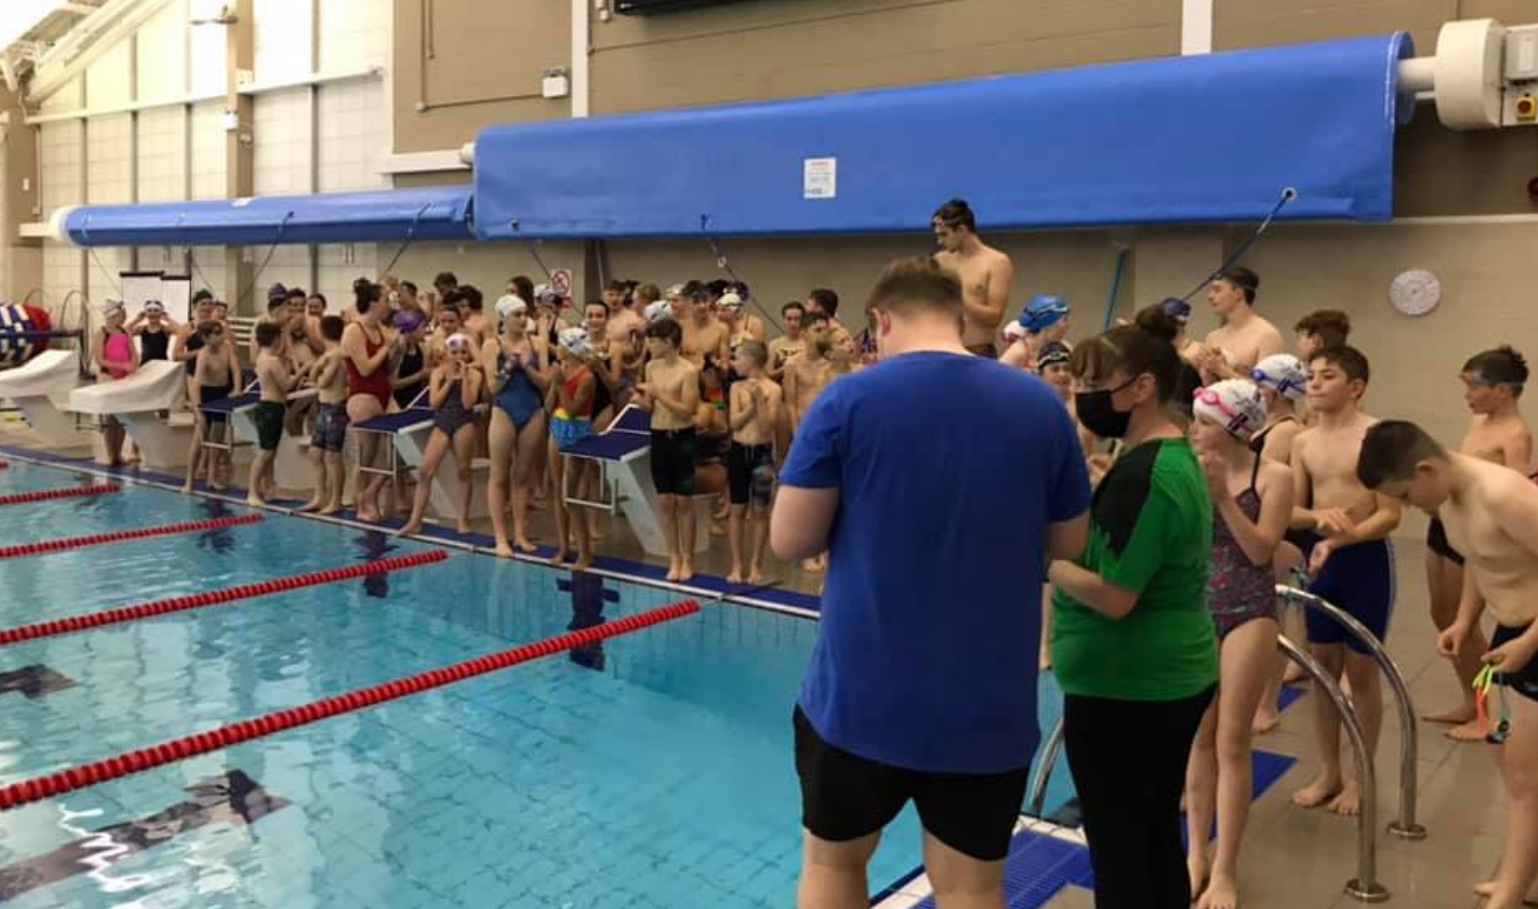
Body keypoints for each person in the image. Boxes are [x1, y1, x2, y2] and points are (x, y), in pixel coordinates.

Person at [770, 257, 1089, 909]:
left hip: (859, 697)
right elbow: (1068, 546)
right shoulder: (1040, 405)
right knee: (971, 885)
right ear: (960, 314)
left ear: (883, 319)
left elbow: (791, 539)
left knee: (834, 863)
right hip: (985, 703)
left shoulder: (848, 399)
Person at [1046, 314, 1217, 909]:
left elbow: (1116, 597)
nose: (1083, 395)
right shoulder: (1166, 458)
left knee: (1121, 851)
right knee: (1148, 841)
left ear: (1141, 387)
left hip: (1131, 689)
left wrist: (1046, 559)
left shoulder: (1146, 474)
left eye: (1095, 382)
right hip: (1160, 679)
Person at [1357, 421, 1538, 909]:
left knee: (1525, 775)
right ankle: (1523, 877)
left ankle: (1512, 890)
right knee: (1508, 760)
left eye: (1405, 495)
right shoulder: (1452, 500)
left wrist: (1529, 644)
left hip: (1533, 636)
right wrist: (1464, 619)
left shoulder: (1503, 493)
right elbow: (1482, 557)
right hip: (1510, 635)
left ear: (1425, 468)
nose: (1411, 506)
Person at [1184, 380, 1293, 909]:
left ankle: (1225, 868)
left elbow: (1259, 551)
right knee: (1196, 741)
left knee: (1232, 742)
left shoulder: (1274, 476)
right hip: (1195, 611)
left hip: (1249, 612)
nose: (1193, 430)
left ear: (1233, 428)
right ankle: (1194, 856)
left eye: (1203, 422)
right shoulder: (1188, 468)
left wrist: (1223, 498)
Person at [1288, 346, 1401, 816]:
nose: (1313, 383)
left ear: (1355, 386)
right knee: (1322, 672)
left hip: (1364, 562)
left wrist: (1343, 537)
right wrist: (1318, 518)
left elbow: (1391, 514)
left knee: (1362, 673)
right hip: (1320, 561)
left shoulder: (1377, 438)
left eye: (1326, 376)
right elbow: (1292, 510)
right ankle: (1329, 771)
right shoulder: (1302, 441)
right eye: (1310, 376)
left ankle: (1360, 775)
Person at [1425, 346, 1534, 742]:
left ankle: (1486, 711)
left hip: (1481, 535)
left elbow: (1517, 491)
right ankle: (1471, 698)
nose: (1467, 395)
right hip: (1449, 524)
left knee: (1466, 622)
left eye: (1473, 387)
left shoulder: (1515, 434)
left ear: (1503, 391)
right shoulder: (1479, 422)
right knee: (1443, 615)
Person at [400, 333, 484, 537]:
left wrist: (463, 378)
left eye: (464, 352)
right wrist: (448, 382)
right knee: (425, 471)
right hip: (443, 421)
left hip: (464, 422)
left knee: (463, 471)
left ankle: (463, 520)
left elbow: (467, 404)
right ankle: (415, 521)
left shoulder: (475, 375)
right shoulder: (438, 373)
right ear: (447, 353)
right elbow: (434, 403)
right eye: (454, 352)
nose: (459, 356)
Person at [636, 317, 701, 582]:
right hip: (659, 435)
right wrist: (642, 401)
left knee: (684, 501)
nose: (648, 345)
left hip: (683, 437)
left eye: (652, 340)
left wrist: (659, 393)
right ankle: (673, 556)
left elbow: (688, 411)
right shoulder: (651, 367)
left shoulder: (688, 371)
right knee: (665, 501)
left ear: (668, 342)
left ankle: (688, 558)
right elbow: (651, 406)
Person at [484, 295, 549, 558]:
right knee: (499, 475)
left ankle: (520, 534)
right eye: (517, 315)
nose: (523, 319)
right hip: (504, 410)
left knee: (523, 476)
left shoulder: (538, 343)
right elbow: (492, 387)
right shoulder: (492, 344)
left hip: (533, 410)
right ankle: (501, 537)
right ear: (504, 317)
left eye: (525, 314)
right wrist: (509, 366)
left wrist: (526, 366)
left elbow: (545, 383)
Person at [343, 281, 401, 522]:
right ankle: (362, 504)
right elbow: (365, 369)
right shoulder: (354, 330)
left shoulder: (380, 329)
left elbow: (389, 370)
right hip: (363, 396)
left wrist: (396, 350)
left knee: (396, 454)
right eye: (386, 298)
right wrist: (387, 347)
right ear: (374, 302)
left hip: (385, 395)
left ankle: (369, 494)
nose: (389, 304)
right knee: (366, 457)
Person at [724, 340, 781, 584]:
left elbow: (769, 427)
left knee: (760, 511)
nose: (734, 362)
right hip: (738, 451)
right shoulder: (736, 387)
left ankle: (756, 564)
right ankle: (737, 564)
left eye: (737, 357)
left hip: (762, 454)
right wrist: (752, 405)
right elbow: (734, 424)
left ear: (751, 361)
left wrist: (760, 400)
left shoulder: (774, 390)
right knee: (737, 510)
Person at [930, 199, 1015, 357]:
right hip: (944, 349)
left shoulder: (996, 262)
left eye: (944, 235)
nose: (939, 241)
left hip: (979, 351)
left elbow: (993, 318)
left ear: (962, 230)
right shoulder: (940, 260)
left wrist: (958, 295)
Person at [547, 326, 599, 569]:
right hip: (557, 427)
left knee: (572, 496)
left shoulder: (587, 377)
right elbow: (550, 407)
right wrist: (553, 385)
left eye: (559, 344)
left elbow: (573, 410)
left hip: (577, 430)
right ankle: (563, 546)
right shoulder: (562, 369)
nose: (556, 348)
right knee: (558, 492)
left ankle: (585, 552)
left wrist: (558, 385)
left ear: (569, 348)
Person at [1195, 268, 1285, 383]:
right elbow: (1209, 389)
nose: (1210, 296)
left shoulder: (1267, 335)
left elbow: (1269, 392)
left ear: (1238, 293)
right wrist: (1206, 373)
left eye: (1217, 290)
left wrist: (1223, 370)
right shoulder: (1212, 337)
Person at [300, 316, 349, 515]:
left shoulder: (337, 355)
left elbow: (323, 382)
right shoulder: (330, 354)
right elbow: (315, 376)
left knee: (332, 457)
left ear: (321, 332)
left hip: (335, 408)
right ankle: (320, 496)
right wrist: (318, 368)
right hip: (325, 408)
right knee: (316, 453)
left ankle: (335, 500)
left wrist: (317, 372)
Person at [184, 319, 239, 492]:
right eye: (217, 333)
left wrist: (237, 389)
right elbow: (196, 384)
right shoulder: (204, 354)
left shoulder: (227, 347)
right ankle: (189, 482)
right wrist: (198, 410)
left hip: (222, 394)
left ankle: (211, 477)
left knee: (217, 439)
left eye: (221, 332)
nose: (222, 336)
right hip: (205, 395)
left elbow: (236, 370)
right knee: (200, 438)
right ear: (206, 338)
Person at [247, 322, 296, 507]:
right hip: (271, 408)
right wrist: (301, 371)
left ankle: (269, 489)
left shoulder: (262, 357)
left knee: (271, 452)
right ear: (276, 338)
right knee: (265, 452)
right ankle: (252, 491)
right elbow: (286, 386)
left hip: (268, 406)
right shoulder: (272, 360)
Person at [91, 301, 139, 467]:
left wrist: (134, 364)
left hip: (125, 379)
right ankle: (111, 455)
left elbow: (133, 352)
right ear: (113, 315)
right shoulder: (101, 333)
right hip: (108, 378)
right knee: (111, 418)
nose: (125, 317)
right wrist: (122, 366)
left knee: (123, 417)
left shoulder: (125, 331)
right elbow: (100, 359)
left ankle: (118, 454)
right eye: (122, 314)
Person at [784, 312, 835, 434]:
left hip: (829, 426)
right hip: (805, 425)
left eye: (825, 330)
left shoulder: (833, 363)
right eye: (817, 330)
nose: (823, 334)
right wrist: (796, 431)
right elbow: (790, 403)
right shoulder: (792, 364)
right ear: (803, 333)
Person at [999, 294, 1070, 369]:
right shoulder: (1018, 352)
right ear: (1047, 324)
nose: (1069, 325)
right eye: (1065, 320)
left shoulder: (1065, 348)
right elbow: (995, 378)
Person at [669, 281, 729, 369]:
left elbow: (725, 366)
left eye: (705, 300)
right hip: (687, 377)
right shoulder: (680, 327)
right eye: (696, 302)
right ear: (686, 303)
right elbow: (673, 362)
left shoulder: (721, 329)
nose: (702, 306)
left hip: (711, 378)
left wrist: (719, 364)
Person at [391, 310, 430, 409]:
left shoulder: (422, 347)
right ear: (411, 330)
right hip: (400, 401)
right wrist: (419, 376)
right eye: (422, 327)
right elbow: (392, 384)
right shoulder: (398, 351)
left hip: (418, 397)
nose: (426, 330)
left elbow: (425, 374)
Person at [768, 302, 808, 382]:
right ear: (784, 320)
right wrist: (786, 368)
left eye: (796, 319)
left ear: (803, 320)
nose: (792, 323)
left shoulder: (810, 343)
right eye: (789, 319)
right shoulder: (774, 344)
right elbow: (769, 374)